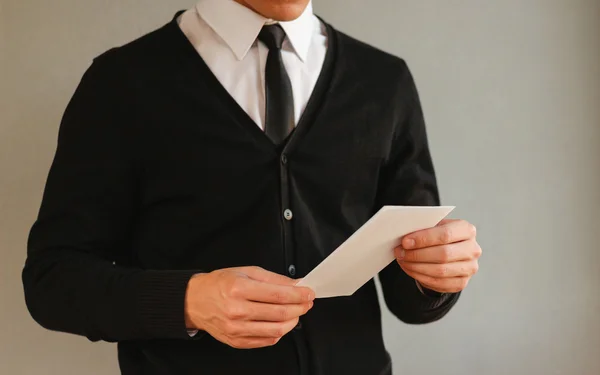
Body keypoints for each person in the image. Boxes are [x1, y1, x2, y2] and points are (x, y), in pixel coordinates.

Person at [22, 0, 482, 374]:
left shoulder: (385, 80)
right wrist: (189, 301)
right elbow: (53, 280)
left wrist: (437, 273)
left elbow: (412, 297)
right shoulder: (122, 81)